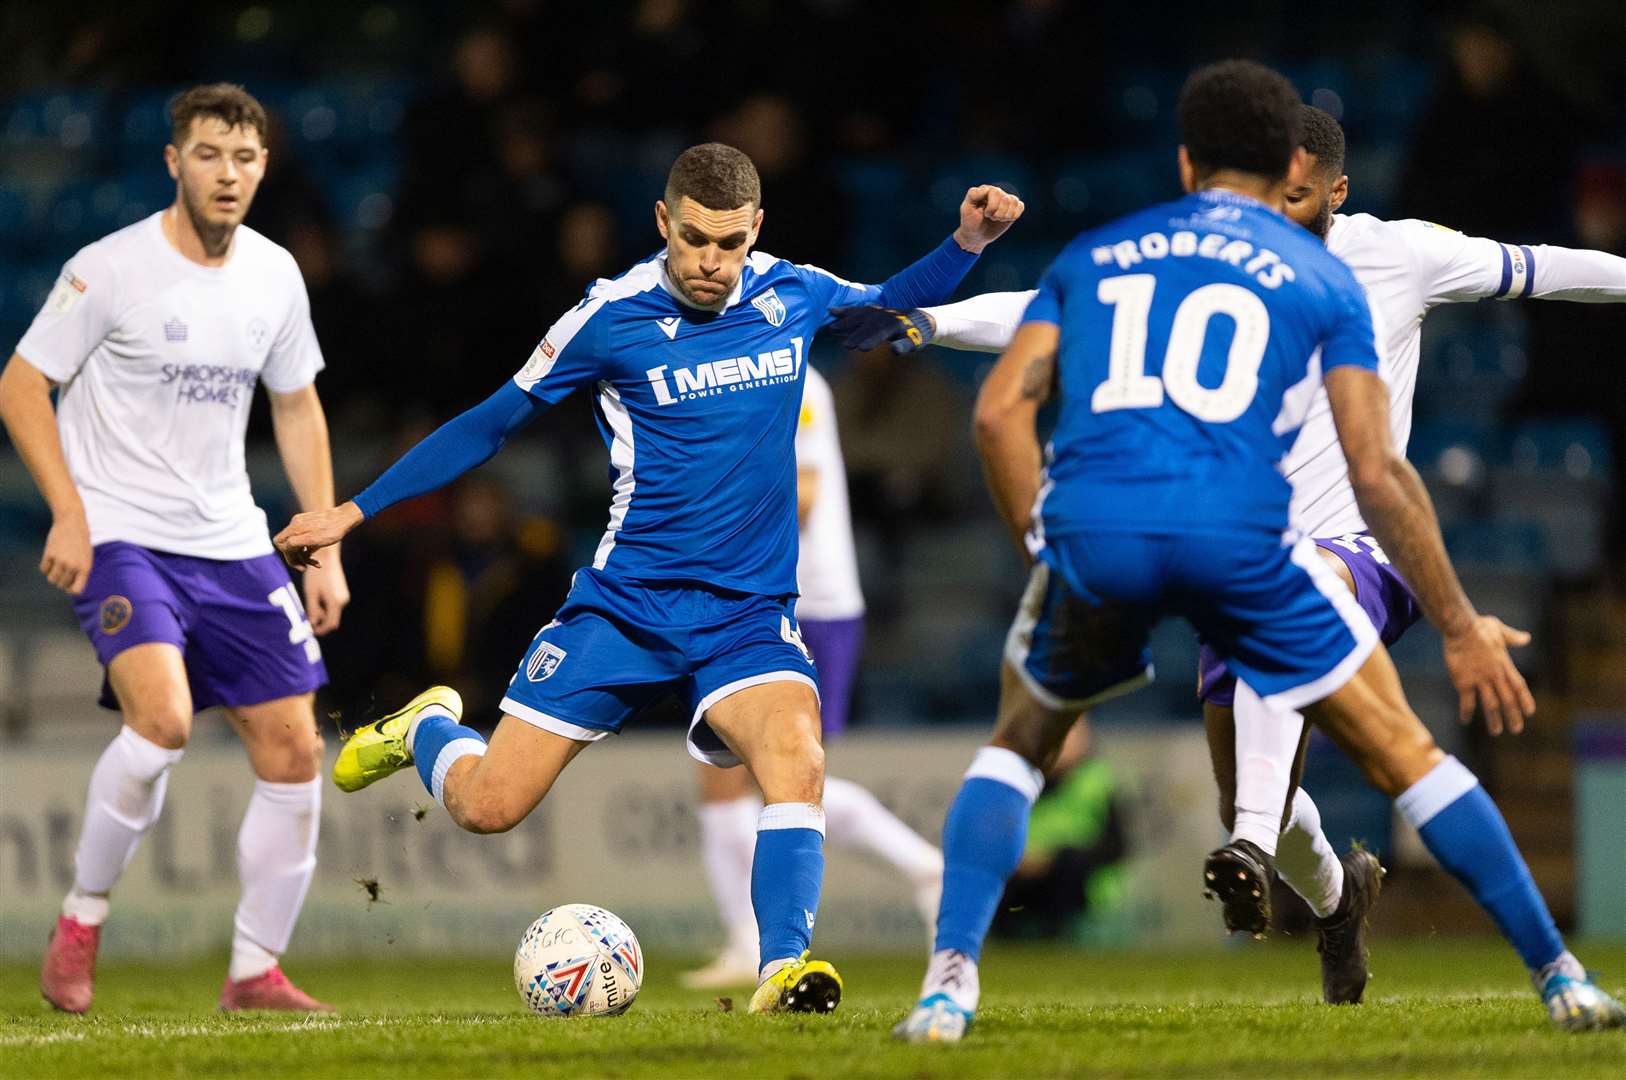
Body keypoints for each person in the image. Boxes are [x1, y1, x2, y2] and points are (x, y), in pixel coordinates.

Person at [874, 58, 1619, 1043]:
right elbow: (1382, 465)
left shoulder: (1127, 253)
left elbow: (1004, 398)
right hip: (1248, 539)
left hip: (1212, 538)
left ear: (1186, 163)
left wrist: (1039, 545)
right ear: (1274, 172)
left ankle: (968, 979)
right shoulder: (1311, 278)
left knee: (1021, 745)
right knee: (1368, 755)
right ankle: (1391, 915)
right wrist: (1459, 622)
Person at [271, 142, 1023, 1015]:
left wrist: (964, 243)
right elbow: (488, 423)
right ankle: (429, 729)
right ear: (664, 221)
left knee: (797, 758)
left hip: (746, 615)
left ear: (756, 231)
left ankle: (782, 968)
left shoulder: (791, 291)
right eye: (696, 239)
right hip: (625, 611)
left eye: (731, 243)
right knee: (486, 807)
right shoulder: (609, 317)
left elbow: (890, 309)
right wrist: (353, 511)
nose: (713, 263)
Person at [0, 84, 346, 1013]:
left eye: (242, 158)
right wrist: (68, 513)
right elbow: (22, 386)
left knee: (291, 752)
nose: (225, 174)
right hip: (121, 535)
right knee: (161, 722)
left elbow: (297, 403)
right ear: (173, 162)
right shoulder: (108, 269)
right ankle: (81, 920)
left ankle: (254, 970)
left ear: (263, 166)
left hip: (230, 541)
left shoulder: (275, 274)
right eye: (206, 155)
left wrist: (324, 543)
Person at [683, 365, 944, 989]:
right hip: (756, 601)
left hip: (809, 601)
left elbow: (803, 492)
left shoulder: (795, 377)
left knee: (774, 776)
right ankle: (752, 941)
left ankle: (925, 871)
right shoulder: (719, 371)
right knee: (735, 781)